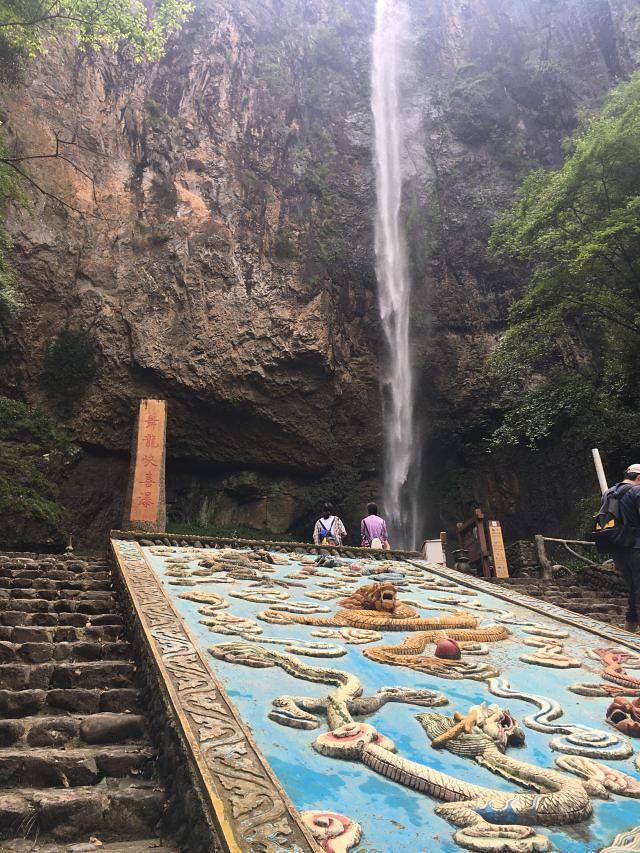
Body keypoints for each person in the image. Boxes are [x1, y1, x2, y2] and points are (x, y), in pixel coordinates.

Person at [599, 465, 640, 632]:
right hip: (637, 547)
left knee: (634, 591)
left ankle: (627, 634)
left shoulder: (608, 493)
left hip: (619, 551)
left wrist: (615, 558)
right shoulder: (637, 491)